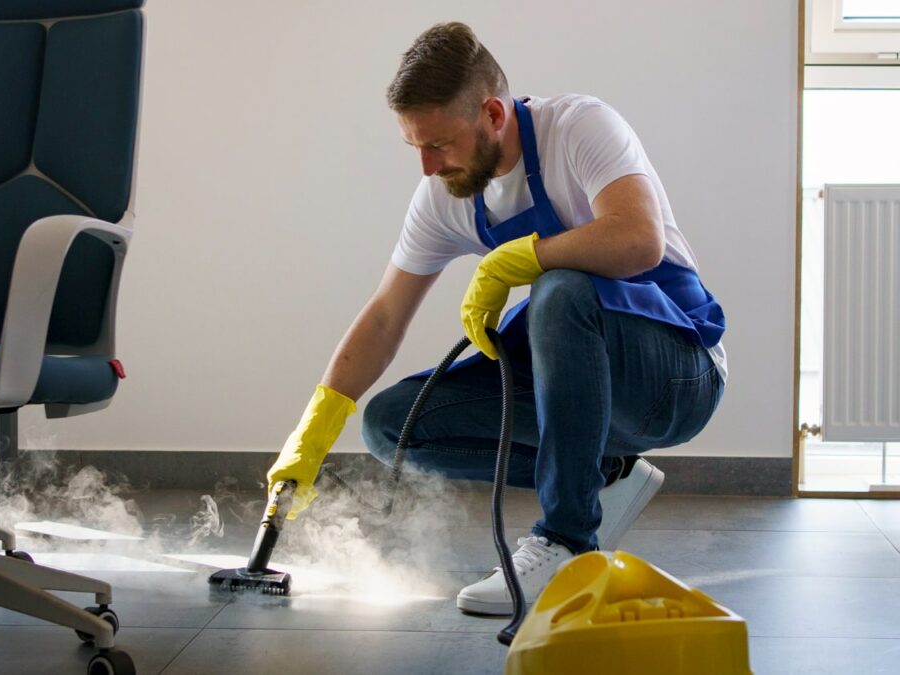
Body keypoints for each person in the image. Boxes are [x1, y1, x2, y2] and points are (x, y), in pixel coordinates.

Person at [266, 21, 726, 616]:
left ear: (492, 113)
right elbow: (384, 316)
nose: (427, 167)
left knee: (560, 290)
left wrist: (519, 257)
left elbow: (639, 239)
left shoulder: (579, 128)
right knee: (390, 425)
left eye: (439, 144)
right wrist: (314, 429)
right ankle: (604, 473)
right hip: (583, 393)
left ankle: (567, 539)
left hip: (675, 377)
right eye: (415, 147)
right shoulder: (446, 197)